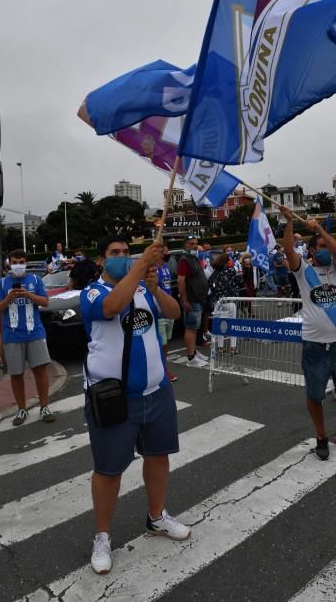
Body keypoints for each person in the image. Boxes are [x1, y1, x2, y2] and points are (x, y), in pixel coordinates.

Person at [80, 235, 189, 575]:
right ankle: (102, 535)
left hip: (156, 393)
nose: (123, 257)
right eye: (115, 253)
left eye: (127, 253)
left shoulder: (143, 290)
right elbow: (112, 307)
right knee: (109, 470)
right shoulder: (92, 292)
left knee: (158, 457)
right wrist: (142, 265)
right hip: (114, 399)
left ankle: (156, 517)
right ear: (101, 260)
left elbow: (174, 312)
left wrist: (155, 288)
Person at [280, 207, 336, 461]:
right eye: (321, 246)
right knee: (315, 395)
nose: (327, 249)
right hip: (314, 346)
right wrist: (288, 223)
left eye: (328, 245)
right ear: (310, 252)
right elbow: (288, 251)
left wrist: (319, 229)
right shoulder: (304, 272)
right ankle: (321, 436)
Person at [0, 249, 56, 426]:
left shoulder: (35, 280)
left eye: (22, 262)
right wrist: (8, 299)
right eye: (15, 262)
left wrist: (29, 295)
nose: (18, 265)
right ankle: (22, 409)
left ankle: (45, 407)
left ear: (26, 263)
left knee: (40, 371)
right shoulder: (1, 283)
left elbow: (45, 302)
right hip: (12, 335)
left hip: (35, 332)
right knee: (16, 374)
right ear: (9, 263)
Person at [177, 236, 209, 368]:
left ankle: (194, 352)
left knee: (195, 328)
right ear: (185, 245)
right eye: (191, 244)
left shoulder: (193, 258)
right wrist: (184, 300)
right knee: (191, 328)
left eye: (196, 244)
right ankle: (191, 357)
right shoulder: (184, 260)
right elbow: (181, 280)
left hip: (198, 299)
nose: (195, 246)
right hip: (191, 299)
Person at [209, 253, 240, 354]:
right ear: (227, 261)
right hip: (229, 300)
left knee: (221, 325)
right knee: (232, 324)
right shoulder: (230, 271)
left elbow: (209, 283)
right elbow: (237, 281)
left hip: (218, 302)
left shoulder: (215, 273)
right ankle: (233, 348)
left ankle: (220, 348)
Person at [157, 246, 178, 382]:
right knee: (161, 343)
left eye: (167, 249)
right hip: (158, 312)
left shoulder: (165, 266)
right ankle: (160, 370)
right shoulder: (152, 268)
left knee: (166, 343)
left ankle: (163, 368)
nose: (167, 252)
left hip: (167, 311)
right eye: (164, 250)